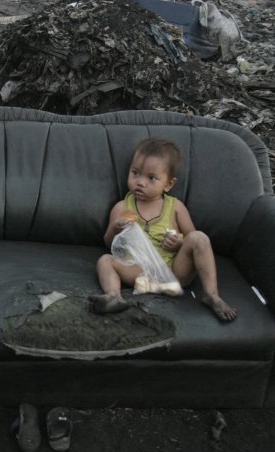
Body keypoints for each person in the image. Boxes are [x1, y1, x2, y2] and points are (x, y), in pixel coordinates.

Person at [89, 137, 237, 321]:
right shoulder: (122, 208)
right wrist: (115, 229)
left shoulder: (175, 207)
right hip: (140, 274)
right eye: (135, 173)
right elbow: (109, 243)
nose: (140, 182)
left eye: (151, 178)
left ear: (168, 184)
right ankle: (113, 296)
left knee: (200, 238)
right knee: (105, 260)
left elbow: (192, 240)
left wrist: (179, 243)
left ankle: (211, 294)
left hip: (174, 273)